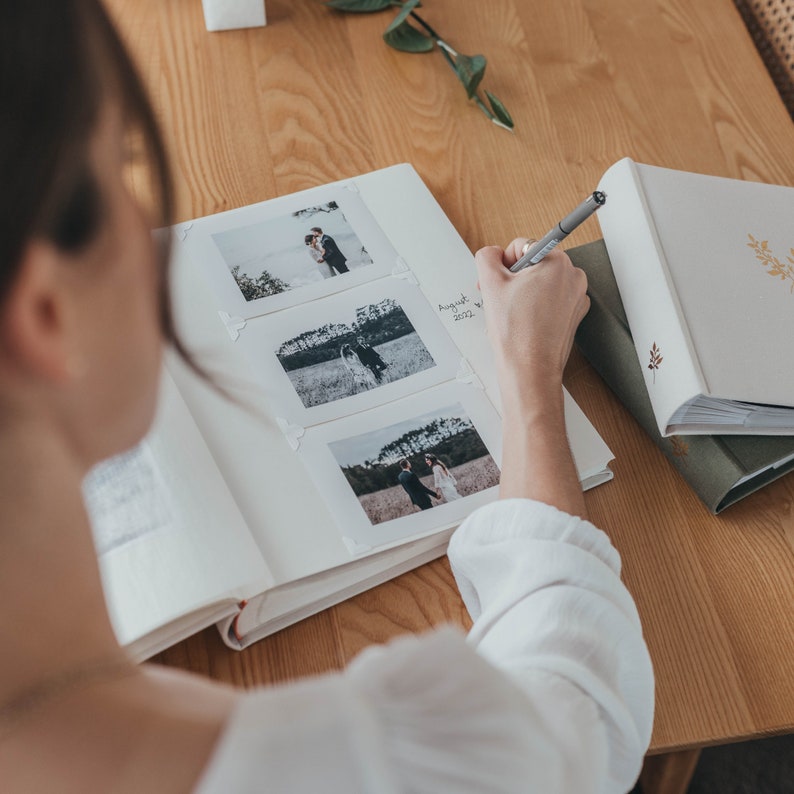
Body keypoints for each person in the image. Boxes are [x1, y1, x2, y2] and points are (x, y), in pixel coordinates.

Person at [0, 2, 654, 791]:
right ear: (46, 312)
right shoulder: (372, 767)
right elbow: (577, 702)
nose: (152, 227)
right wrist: (528, 379)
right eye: (122, 169)